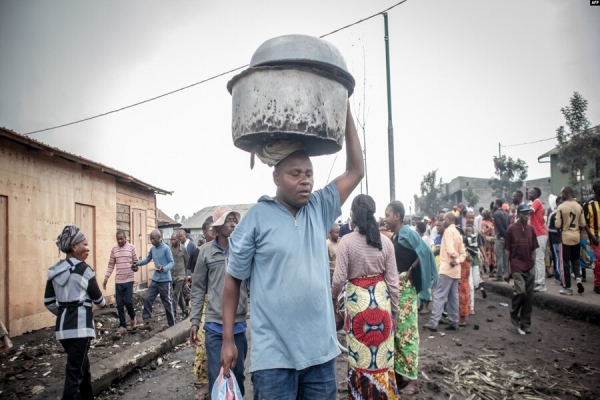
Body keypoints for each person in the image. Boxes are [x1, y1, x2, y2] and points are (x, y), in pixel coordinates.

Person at [221, 103, 364, 399]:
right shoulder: (256, 218)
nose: (305, 180)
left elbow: (356, 170)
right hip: (273, 360)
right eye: (295, 173)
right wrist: (227, 340)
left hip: (321, 355)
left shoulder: (320, 207)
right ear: (276, 177)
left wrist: (345, 109)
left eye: (309, 173)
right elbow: (233, 279)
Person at [331, 194, 399, 399]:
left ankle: (361, 395)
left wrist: (333, 299)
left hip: (357, 303)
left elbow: (338, 279)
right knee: (382, 357)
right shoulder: (385, 243)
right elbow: (393, 283)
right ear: (373, 214)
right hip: (381, 302)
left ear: (352, 214)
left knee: (360, 358)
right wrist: (393, 311)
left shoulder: (346, 242)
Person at [189, 206, 248, 395]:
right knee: (218, 374)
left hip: (238, 323)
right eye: (228, 220)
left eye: (234, 220)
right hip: (214, 324)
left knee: (238, 373)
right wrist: (195, 321)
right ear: (218, 225)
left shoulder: (242, 251)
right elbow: (198, 288)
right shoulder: (205, 252)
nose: (232, 224)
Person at [44, 225, 106, 400]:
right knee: (74, 374)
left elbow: (48, 302)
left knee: (82, 369)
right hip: (81, 330)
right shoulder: (85, 270)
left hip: (63, 330)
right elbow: (99, 300)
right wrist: (89, 307)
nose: (87, 248)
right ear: (74, 247)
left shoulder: (54, 271)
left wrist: (65, 312)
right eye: (84, 244)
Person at [385, 200, 437, 396]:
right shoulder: (397, 235)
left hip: (406, 291)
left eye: (388, 215)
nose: (386, 218)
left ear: (397, 216)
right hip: (398, 289)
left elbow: (424, 252)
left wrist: (412, 270)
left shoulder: (407, 233)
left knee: (407, 334)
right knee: (398, 334)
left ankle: (413, 382)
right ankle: (400, 376)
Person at [423, 212, 466, 332]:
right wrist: (457, 260)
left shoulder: (448, 232)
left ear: (449, 219)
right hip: (456, 269)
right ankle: (454, 321)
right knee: (453, 297)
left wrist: (453, 257)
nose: (442, 222)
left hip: (447, 267)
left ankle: (433, 321)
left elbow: (450, 248)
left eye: (443, 219)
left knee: (439, 294)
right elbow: (463, 253)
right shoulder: (457, 232)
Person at [504, 204, 538, 334]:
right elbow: (507, 250)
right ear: (518, 214)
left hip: (529, 265)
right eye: (524, 213)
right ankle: (514, 312)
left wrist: (533, 263)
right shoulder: (511, 229)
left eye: (528, 213)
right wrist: (507, 270)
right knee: (520, 291)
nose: (526, 216)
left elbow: (534, 248)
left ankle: (525, 323)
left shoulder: (531, 229)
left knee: (529, 297)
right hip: (516, 264)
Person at [132, 229, 175, 329]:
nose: (151, 241)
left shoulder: (166, 249)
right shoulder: (153, 249)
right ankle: (146, 322)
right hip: (155, 280)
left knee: (167, 303)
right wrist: (138, 263)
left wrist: (164, 268)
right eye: (150, 239)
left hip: (165, 281)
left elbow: (171, 262)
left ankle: (172, 325)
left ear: (159, 238)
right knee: (147, 298)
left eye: (153, 239)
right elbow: (147, 259)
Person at [555, 186, 595, 295]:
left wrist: (560, 233)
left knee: (565, 264)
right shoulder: (578, 206)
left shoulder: (561, 207)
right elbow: (583, 224)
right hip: (576, 237)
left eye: (562, 193)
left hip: (565, 237)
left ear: (566, 193)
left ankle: (567, 287)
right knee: (576, 260)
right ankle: (578, 278)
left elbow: (557, 224)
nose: (561, 195)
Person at [103, 230, 138, 334]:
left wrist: (135, 268)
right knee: (119, 304)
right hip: (118, 280)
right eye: (118, 239)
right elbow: (111, 265)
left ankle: (132, 317)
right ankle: (122, 325)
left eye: (121, 238)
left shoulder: (131, 248)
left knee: (128, 301)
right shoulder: (114, 249)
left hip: (129, 279)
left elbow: (136, 263)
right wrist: (106, 278)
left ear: (125, 238)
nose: (119, 241)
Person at [527, 187, 548, 292]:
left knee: (539, 259)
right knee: (535, 259)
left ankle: (541, 283)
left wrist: (522, 210)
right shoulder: (533, 203)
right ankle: (537, 281)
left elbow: (530, 211)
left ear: (536, 194)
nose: (529, 193)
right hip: (536, 234)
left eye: (531, 192)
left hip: (539, 234)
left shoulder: (537, 202)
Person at [583, 181, 600, 294]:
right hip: (595, 237)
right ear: (595, 190)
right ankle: (597, 285)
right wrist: (592, 236)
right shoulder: (588, 204)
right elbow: (584, 223)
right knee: (599, 261)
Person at [170, 232, 189, 321]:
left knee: (175, 295)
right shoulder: (169, 250)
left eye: (174, 239)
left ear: (178, 239)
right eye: (171, 239)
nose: (172, 241)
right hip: (172, 276)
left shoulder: (183, 249)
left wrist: (185, 275)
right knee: (179, 295)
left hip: (180, 276)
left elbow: (186, 262)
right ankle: (185, 311)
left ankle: (173, 315)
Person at [547, 196, 563, 284]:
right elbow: (549, 229)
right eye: (560, 202)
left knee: (561, 258)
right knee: (557, 258)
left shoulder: (565, 213)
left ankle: (559, 275)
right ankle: (559, 275)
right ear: (556, 204)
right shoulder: (553, 214)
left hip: (564, 240)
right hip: (555, 240)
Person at [493, 199, 510, 281]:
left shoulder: (496, 214)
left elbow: (499, 226)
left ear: (497, 204)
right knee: (506, 257)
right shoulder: (506, 214)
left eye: (494, 204)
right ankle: (507, 273)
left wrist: (502, 234)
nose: (493, 205)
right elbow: (508, 226)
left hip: (500, 237)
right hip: (506, 238)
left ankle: (499, 275)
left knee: (499, 257)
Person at [480, 210, 496, 276]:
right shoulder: (483, 223)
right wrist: (485, 240)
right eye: (489, 214)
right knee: (487, 255)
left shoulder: (491, 222)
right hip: (487, 242)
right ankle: (486, 271)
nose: (490, 215)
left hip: (492, 242)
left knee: (493, 256)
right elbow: (482, 233)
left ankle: (492, 271)